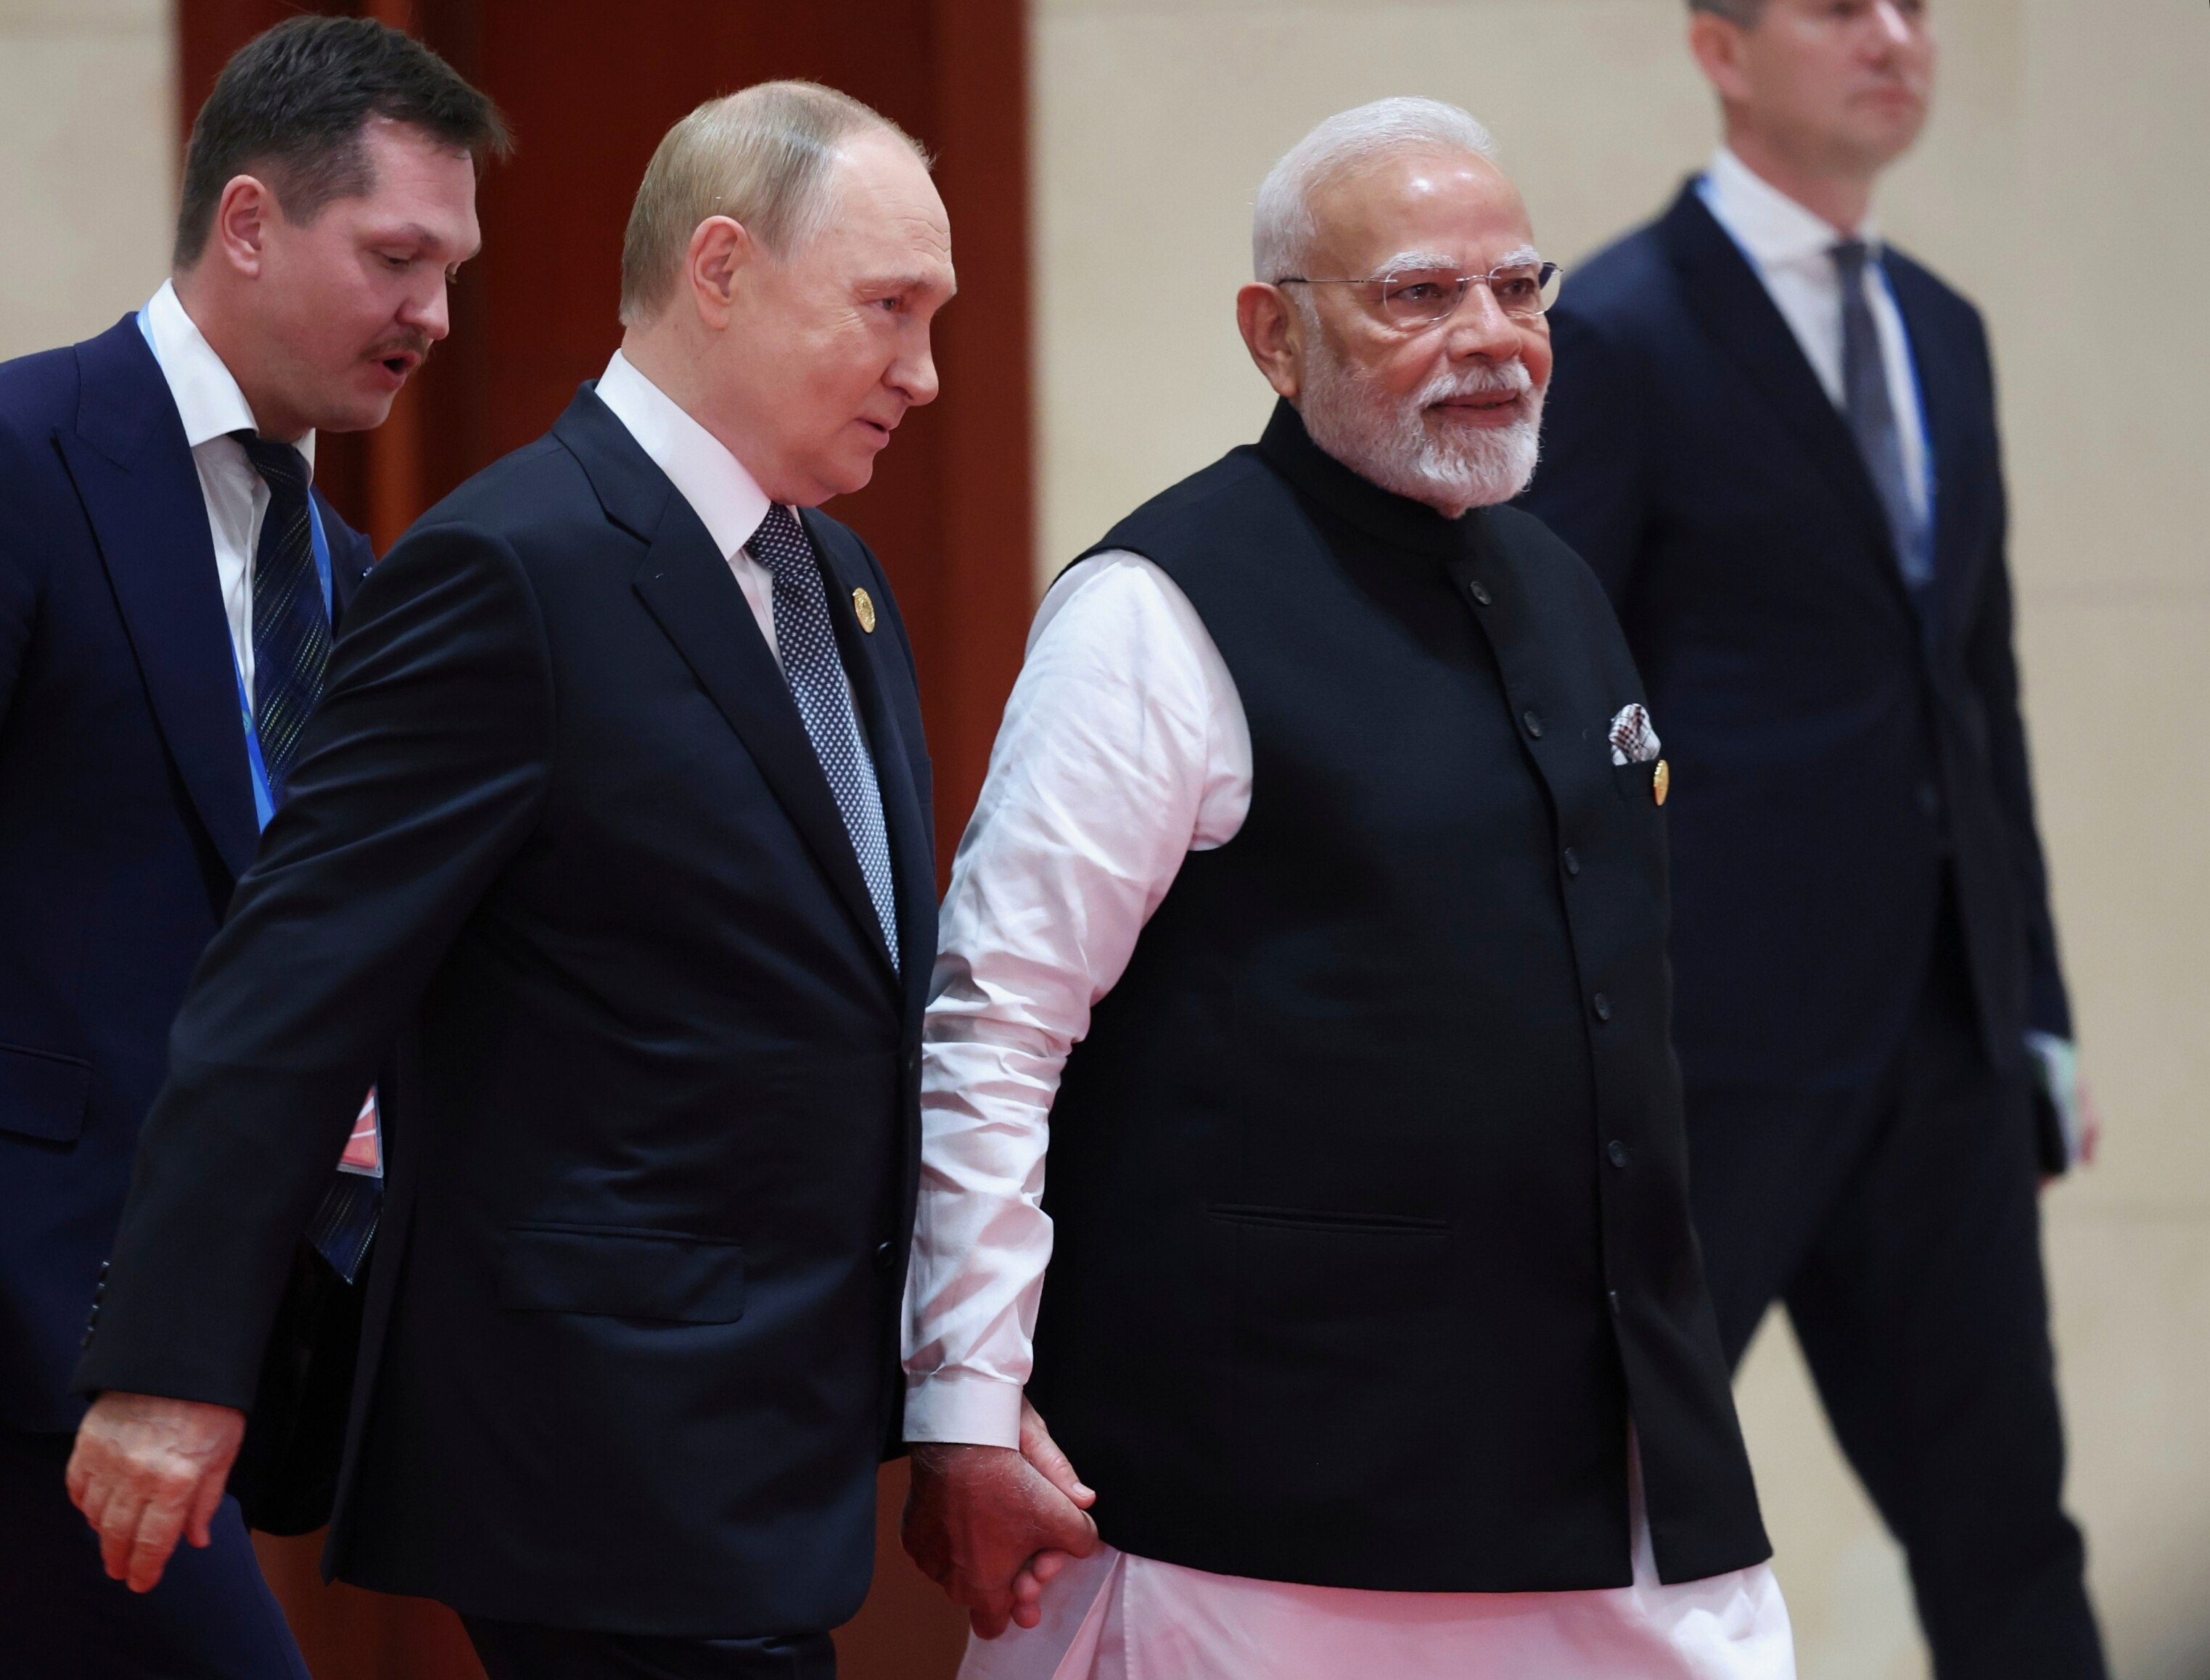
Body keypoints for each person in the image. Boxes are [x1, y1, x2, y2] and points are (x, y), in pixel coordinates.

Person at [899, 98, 1795, 1680]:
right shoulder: (1149, 611)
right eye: (1417, 295)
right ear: (1271, 332)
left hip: (1622, 1493)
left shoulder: (1564, 587)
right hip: (1261, 1504)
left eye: (1519, 290)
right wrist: (963, 1403)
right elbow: (995, 1023)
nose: (1490, 337)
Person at [68, 80, 951, 1680]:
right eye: (886, 309)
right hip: (597, 1438)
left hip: (789, 1422)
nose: (923, 370)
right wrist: (170, 1365)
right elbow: (289, 986)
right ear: (725, 270)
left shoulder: (841, 578)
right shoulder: (509, 566)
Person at [1516, 4, 2106, 1676]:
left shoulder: (1943, 328)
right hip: (1710, 1055)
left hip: (1947, 1045)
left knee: (2006, 1528)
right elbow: (1559, 709)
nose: (1893, 36)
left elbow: (1973, 699)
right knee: (1608, 1527)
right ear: (1717, 45)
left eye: (1914, 8)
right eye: (1839, 6)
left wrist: (2034, 999)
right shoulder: (1617, 329)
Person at [0, 17, 500, 1678]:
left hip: (220, 1340)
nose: (435, 315)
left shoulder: (354, 578)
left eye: (452, 270)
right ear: (246, 224)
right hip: (36, 1313)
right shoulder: (20, 458)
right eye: (399, 259)